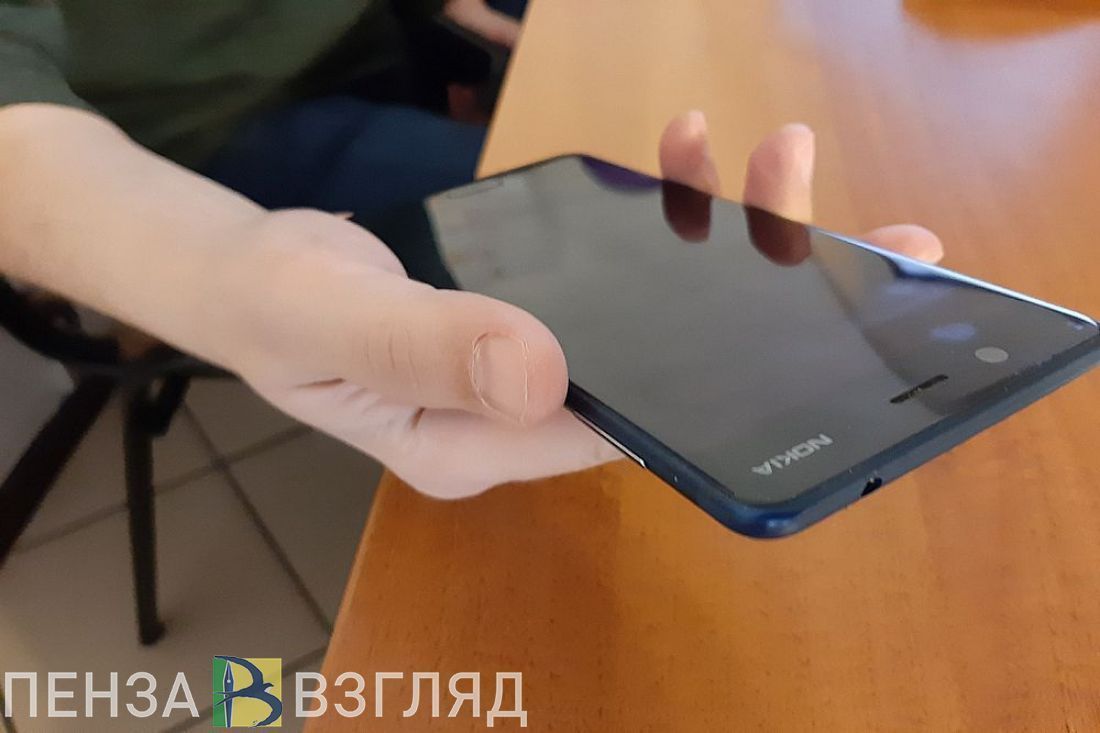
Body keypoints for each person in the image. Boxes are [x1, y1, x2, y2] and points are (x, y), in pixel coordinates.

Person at [0, 2, 944, 498]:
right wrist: (229, 271)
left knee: (640, 132)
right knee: (592, 238)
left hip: (375, 42)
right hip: (196, 133)